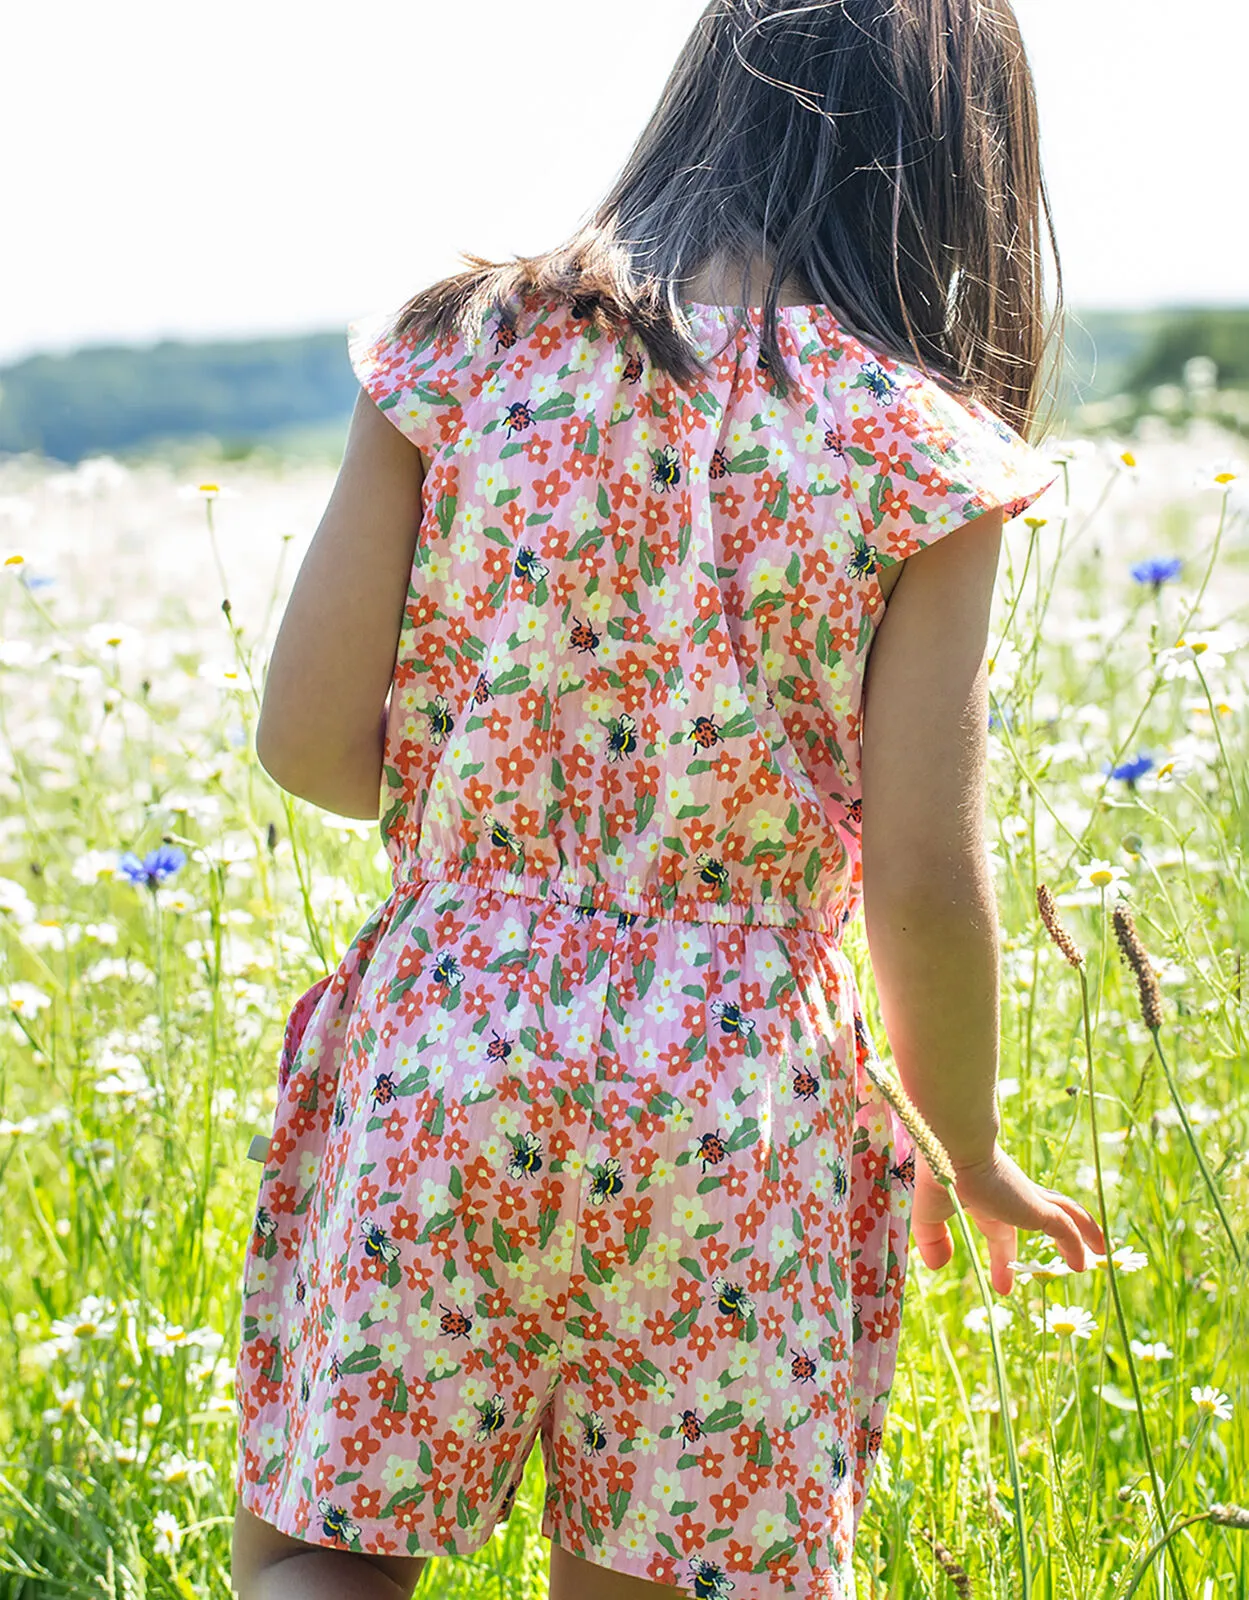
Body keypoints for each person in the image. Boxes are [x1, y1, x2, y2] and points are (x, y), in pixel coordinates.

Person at [230, 1, 1106, 1595]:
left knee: (325, 1555)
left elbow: (302, 743)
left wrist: (487, 841)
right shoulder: (920, 449)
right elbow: (919, 870)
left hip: (448, 1040)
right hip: (738, 1093)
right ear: (961, 165)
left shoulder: (459, 348)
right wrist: (966, 1147)